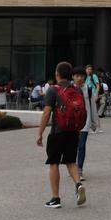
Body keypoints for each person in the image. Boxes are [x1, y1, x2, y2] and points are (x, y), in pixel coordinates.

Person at [35, 61, 87, 208]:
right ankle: (78, 184)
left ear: (57, 74)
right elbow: (81, 114)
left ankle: (56, 198)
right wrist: (78, 131)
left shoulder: (53, 90)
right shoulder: (77, 90)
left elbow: (46, 113)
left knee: (54, 163)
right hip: (73, 132)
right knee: (71, 162)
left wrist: (40, 133)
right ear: (71, 75)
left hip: (57, 132)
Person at [72, 66, 99, 180]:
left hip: (85, 122)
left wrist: (93, 122)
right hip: (71, 123)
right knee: (72, 146)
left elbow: (92, 106)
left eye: (81, 76)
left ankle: (79, 170)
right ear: (73, 77)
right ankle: (72, 166)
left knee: (81, 146)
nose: (79, 78)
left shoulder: (88, 89)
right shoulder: (69, 89)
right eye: (77, 76)